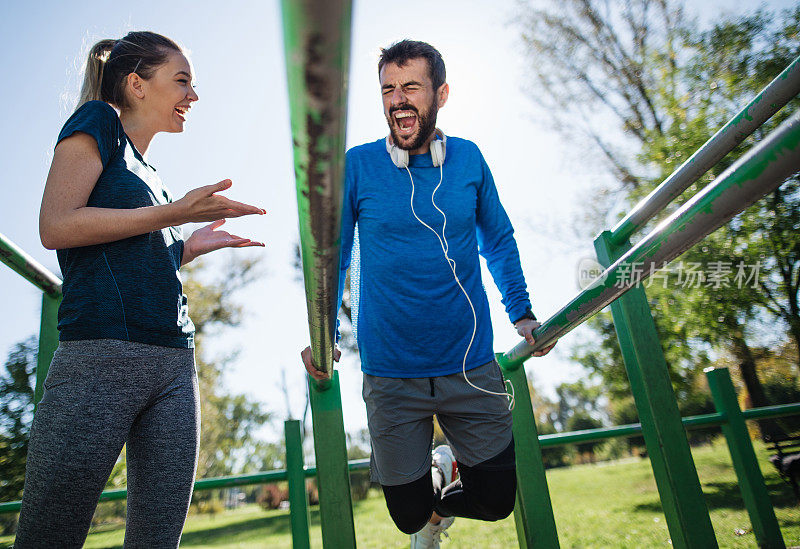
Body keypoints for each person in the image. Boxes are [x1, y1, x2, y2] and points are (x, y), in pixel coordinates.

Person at [14, 31, 265, 548]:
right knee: (48, 536)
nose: (193, 97)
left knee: (157, 540)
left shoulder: (150, 171)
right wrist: (176, 214)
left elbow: (131, 245)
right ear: (137, 83)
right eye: (182, 81)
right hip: (101, 355)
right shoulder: (97, 120)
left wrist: (186, 246)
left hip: (174, 360)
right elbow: (56, 225)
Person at [301, 39, 555, 548]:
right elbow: (334, 255)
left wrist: (522, 314)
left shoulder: (468, 160)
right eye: (388, 89)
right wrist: (322, 331)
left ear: (440, 93)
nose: (398, 99)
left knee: (494, 501)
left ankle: (446, 474)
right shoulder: (358, 167)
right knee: (408, 514)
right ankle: (434, 496)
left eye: (411, 86)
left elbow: (498, 242)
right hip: (391, 369)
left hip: (470, 361)